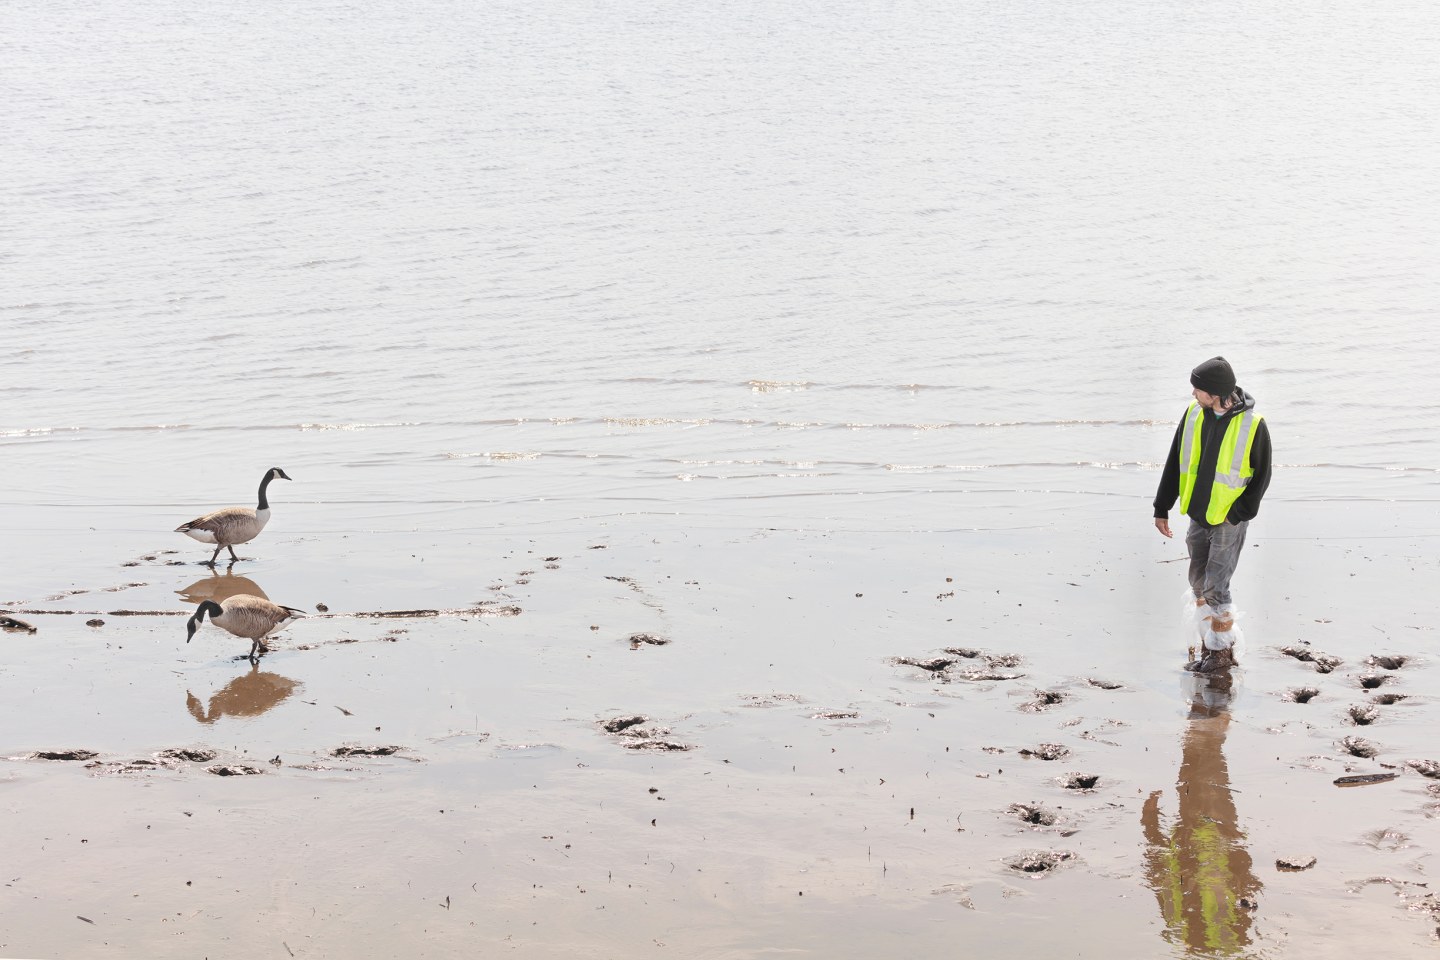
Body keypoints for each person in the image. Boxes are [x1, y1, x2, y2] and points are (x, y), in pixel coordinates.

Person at [1153, 357, 1272, 672]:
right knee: (1197, 581)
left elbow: (1262, 477)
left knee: (1216, 584)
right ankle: (1209, 640)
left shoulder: (1253, 425)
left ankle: (1220, 653)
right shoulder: (1194, 413)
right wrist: (1161, 506)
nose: (1193, 393)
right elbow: (1175, 458)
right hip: (1198, 515)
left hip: (1228, 521)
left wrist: (1239, 513)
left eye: (1199, 388)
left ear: (1216, 393)